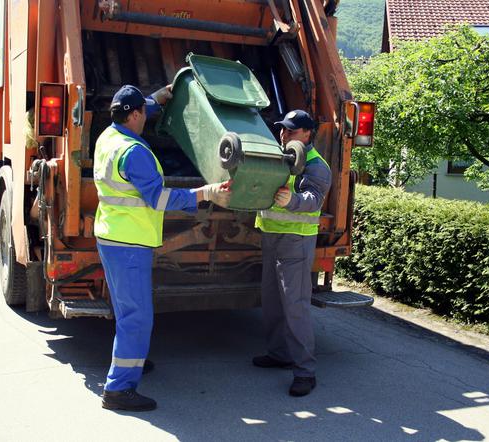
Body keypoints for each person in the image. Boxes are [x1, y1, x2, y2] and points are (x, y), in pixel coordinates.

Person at [94, 84, 231, 412]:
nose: (146, 115)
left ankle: (131, 362)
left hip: (111, 235)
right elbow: (159, 198)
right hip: (130, 242)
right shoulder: (135, 152)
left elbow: (142, 111)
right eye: (144, 111)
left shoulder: (108, 137)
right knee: (137, 317)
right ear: (135, 114)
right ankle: (119, 389)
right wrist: (206, 193)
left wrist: (159, 97)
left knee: (127, 310)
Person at [253, 109, 332, 397]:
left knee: (295, 307)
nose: (284, 134)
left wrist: (293, 200)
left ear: (308, 134)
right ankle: (279, 354)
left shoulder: (315, 165)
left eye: (291, 131)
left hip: (296, 241)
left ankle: (305, 372)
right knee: (273, 301)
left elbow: (314, 200)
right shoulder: (280, 157)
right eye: (282, 129)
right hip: (272, 236)